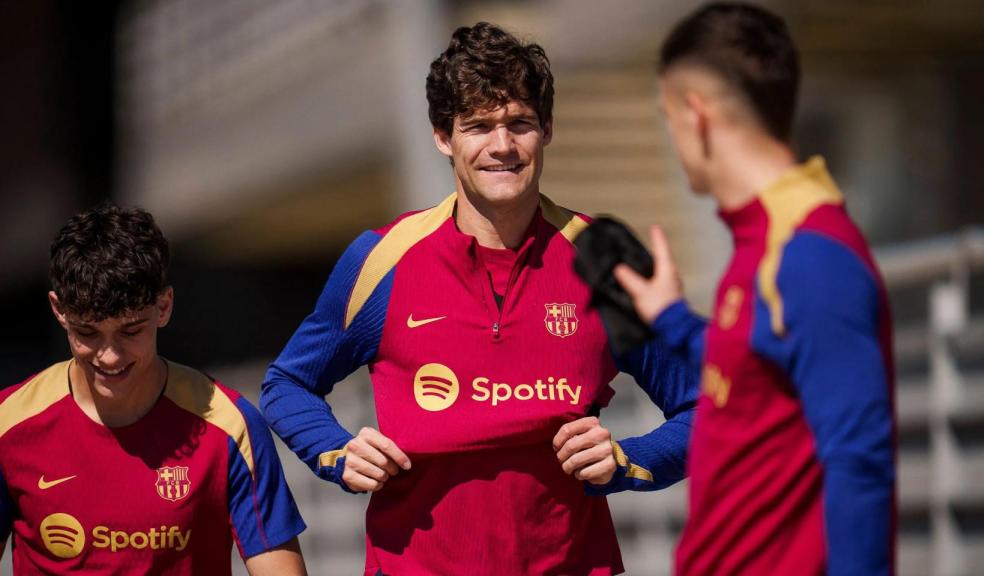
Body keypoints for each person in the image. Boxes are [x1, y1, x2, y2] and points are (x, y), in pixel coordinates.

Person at [260, 21, 699, 575]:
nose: (502, 146)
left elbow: (706, 409)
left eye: (520, 123)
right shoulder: (382, 259)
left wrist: (630, 459)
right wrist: (335, 451)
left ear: (548, 131)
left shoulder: (602, 261)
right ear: (443, 137)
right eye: (478, 126)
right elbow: (287, 384)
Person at [614, 3, 896, 575]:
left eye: (666, 117)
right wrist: (671, 318)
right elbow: (753, 369)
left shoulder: (809, 256)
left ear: (696, 115)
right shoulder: (764, 240)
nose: (672, 138)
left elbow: (859, 465)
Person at [0, 205, 307, 575]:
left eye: (130, 331)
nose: (109, 357)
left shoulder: (232, 426)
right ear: (58, 310)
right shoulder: (9, 424)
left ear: (164, 307)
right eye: (88, 333)